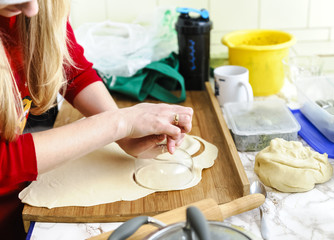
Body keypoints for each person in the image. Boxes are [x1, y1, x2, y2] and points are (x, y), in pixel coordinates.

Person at [0, 0, 193, 238]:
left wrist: (124, 134)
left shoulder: (37, 7)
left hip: (15, 204)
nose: (32, 11)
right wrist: (119, 123)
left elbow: (71, 69)